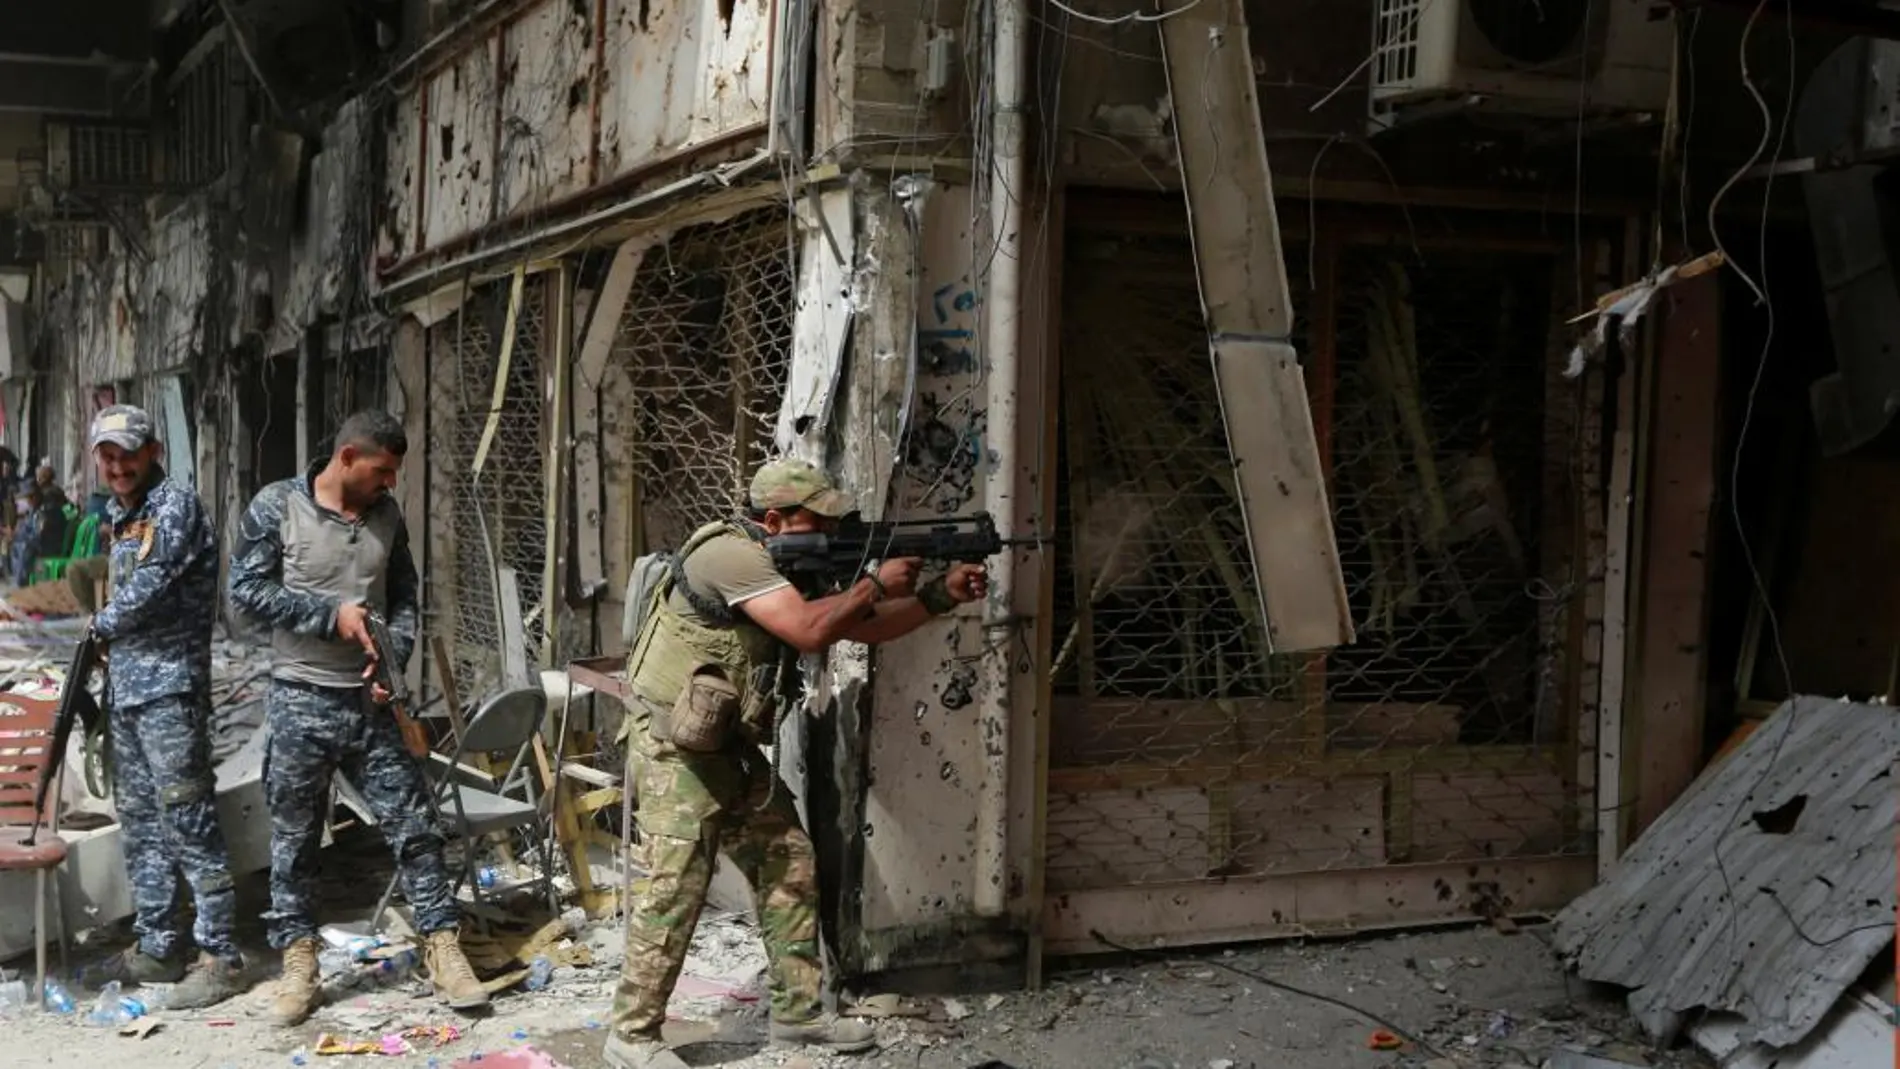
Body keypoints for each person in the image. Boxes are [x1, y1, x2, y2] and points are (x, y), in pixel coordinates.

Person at [603, 458, 989, 1069]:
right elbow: (812, 632)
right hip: (673, 750)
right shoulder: (727, 556)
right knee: (674, 886)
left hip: (725, 747)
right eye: (819, 521)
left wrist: (937, 596)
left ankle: (798, 1018)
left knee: (789, 858)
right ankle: (631, 1036)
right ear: (776, 518)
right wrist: (873, 583)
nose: (832, 533)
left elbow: (860, 629)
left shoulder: (788, 570)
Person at [228, 410, 488, 1026]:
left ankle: (443, 946)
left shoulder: (386, 517)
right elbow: (244, 592)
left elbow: (404, 598)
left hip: (372, 704)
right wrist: (331, 617)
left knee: (417, 828)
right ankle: (299, 963)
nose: (391, 484)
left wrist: (391, 658)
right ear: (347, 458)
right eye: (382, 471)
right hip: (300, 699)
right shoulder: (278, 507)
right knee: (294, 841)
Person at [82, 404, 248, 1008]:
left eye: (127, 452)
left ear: (153, 450)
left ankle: (221, 953)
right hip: (128, 692)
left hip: (171, 691)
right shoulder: (121, 515)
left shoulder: (174, 506)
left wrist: (100, 626)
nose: (117, 465)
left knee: (189, 819)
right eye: (107, 454)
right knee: (143, 823)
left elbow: (148, 589)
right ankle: (158, 945)